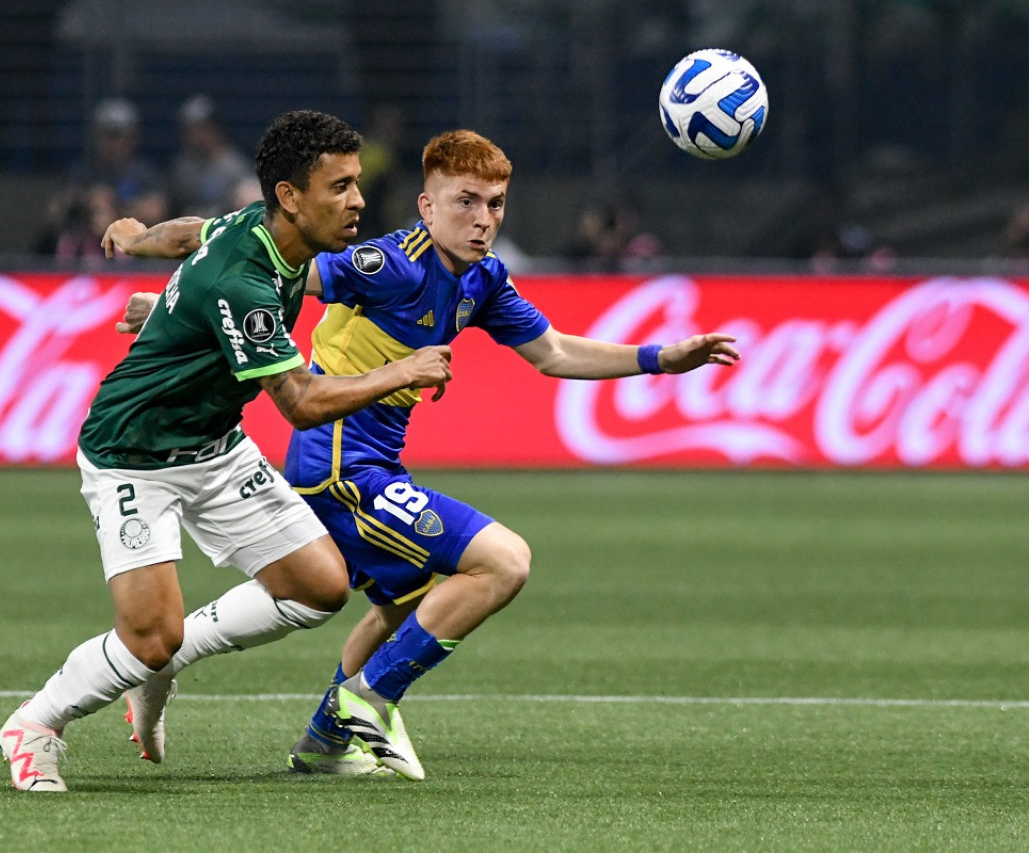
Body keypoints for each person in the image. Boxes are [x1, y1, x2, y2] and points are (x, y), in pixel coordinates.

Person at [102, 130, 739, 781]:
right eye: (466, 201)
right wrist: (152, 254)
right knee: (503, 561)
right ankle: (367, 702)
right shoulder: (390, 265)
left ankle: (320, 736)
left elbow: (552, 352)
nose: (483, 219)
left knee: (405, 605)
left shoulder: (483, 278)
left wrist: (663, 358)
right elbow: (256, 258)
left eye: (495, 204)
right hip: (340, 466)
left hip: (373, 466)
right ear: (426, 207)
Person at [0, 110, 454, 792]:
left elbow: (192, 233)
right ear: (292, 198)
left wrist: (138, 236)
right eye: (340, 186)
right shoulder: (245, 284)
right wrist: (403, 370)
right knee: (150, 635)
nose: (358, 199)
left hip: (215, 446)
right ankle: (35, 724)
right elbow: (298, 401)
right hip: (135, 452)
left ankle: (163, 668)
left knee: (320, 586)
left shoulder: (261, 230)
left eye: (357, 183)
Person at [66, 98, 167, 224]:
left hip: (134, 238)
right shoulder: (84, 170)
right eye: (109, 136)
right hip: (92, 237)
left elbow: (156, 210)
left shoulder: (144, 172)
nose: (115, 143)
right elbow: (60, 207)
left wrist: (115, 207)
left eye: (121, 136)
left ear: (134, 138)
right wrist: (88, 199)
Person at [167, 94, 256, 218]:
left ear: (215, 128)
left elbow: (249, 202)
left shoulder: (234, 164)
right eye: (191, 130)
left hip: (226, 228)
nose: (198, 136)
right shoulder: (182, 167)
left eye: (204, 128)